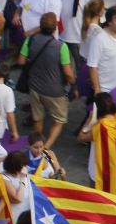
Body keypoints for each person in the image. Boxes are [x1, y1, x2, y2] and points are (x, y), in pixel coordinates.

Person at [19, 12, 76, 147]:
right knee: (59, 120)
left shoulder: (30, 40)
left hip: (35, 87)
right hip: (55, 91)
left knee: (37, 117)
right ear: (55, 28)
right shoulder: (61, 47)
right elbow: (68, 73)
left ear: (40, 26)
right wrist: (74, 84)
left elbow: (21, 61)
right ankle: (46, 147)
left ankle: (37, 143)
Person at [88, 5, 116, 98]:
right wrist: (97, 90)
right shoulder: (99, 39)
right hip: (107, 92)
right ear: (109, 22)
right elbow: (92, 67)